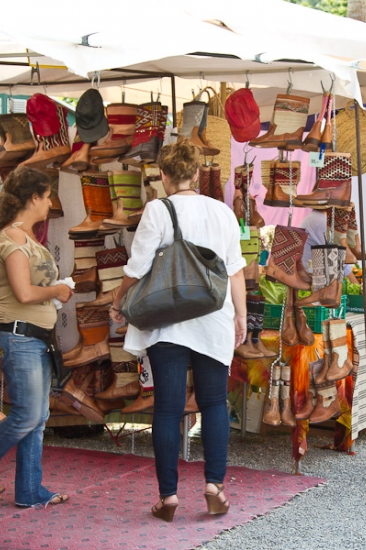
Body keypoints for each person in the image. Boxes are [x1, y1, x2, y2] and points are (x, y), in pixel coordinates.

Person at [109, 140, 247, 522]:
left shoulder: (158, 209)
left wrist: (118, 300)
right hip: (214, 316)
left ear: (163, 175)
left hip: (166, 318)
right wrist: (240, 316)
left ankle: (168, 497)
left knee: (168, 408)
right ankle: (214, 486)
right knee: (214, 402)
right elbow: (235, 270)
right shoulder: (222, 212)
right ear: (197, 173)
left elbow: (137, 268)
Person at [0, 166, 74, 508]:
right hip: (20, 336)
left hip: (34, 337)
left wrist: (54, 292)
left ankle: (29, 490)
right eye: (47, 197)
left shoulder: (25, 239)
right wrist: (57, 290)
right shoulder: (14, 239)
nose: (49, 204)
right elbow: (23, 292)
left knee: (37, 417)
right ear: (33, 198)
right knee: (28, 415)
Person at [299, 209, 359, 285]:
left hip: (309, 276)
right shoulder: (321, 221)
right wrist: (356, 285)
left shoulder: (313, 218)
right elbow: (336, 258)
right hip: (314, 279)